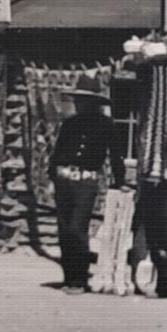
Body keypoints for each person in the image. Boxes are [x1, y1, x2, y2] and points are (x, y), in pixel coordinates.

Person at [47, 76, 129, 294]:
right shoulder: (70, 124)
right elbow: (57, 152)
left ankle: (80, 279)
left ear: (94, 103)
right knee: (64, 230)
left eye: (84, 100)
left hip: (86, 181)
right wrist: (53, 176)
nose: (79, 104)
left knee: (77, 228)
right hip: (65, 179)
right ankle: (69, 277)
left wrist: (119, 181)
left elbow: (115, 156)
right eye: (78, 100)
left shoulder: (106, 125)